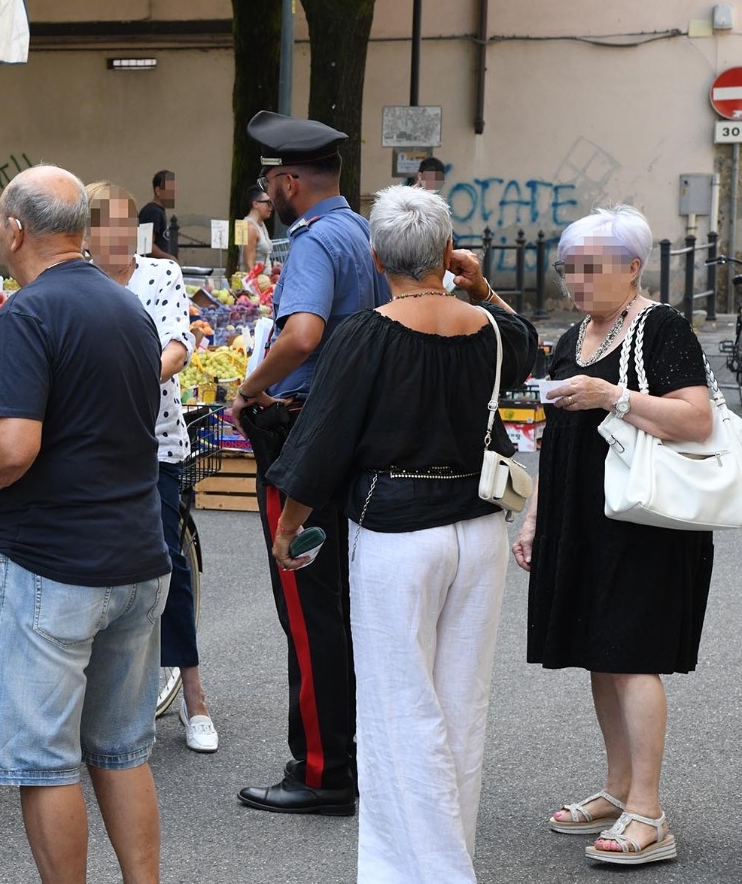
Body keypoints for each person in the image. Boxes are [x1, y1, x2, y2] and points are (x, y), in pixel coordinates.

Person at [264, 186, 536, 883]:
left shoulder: (365, 332)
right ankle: (443, 860)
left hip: (396, 530)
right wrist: (483, 287)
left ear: (378, 255)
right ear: (448, 253)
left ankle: (425, 872)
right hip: (477, 529)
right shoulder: (487, 327)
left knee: (397, 708)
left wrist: (290, 525)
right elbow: (528, 349)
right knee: (458, 706)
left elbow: (322, 440)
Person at [0, 166, 169, 884]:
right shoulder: (127, 309)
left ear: (14, 230)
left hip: (55, 567)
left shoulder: (29, 315)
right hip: (137, 556)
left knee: (45, 762)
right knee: (122, 752)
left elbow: (13, 446)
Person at [514, 206, 714, 867]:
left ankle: (649, 814)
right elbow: (555, 436)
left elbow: (694, 420)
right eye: (568, 267)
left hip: (643, 524)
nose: (575, 279)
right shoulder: (577, 333)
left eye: (590, 268)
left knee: (632, 656)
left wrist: (613, 396)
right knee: (601, 654)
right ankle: (619, 788)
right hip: (582, 517)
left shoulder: (662, 328)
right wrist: (536, 517)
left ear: (632, 267)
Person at [228, 110, 389, 816]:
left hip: (305, 438)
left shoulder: (317, 243)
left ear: (290, 181)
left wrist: (249, 386)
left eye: (272, 181)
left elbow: (302, 334)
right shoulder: (361, 234)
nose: (271, 192)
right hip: (351, 439)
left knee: (308, 615)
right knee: (336, 612)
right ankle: (344, 758)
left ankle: (323, 772)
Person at [86, 180, 218, 754]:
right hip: (87, 446)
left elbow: (177, 345)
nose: (114, 236)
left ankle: (195, 699)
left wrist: (131, 378)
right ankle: (100, 696)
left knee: (167, 569)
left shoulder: (158, 274)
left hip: (152, 442)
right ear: (84, 233)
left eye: (122, 224)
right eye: (100, 225)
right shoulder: (74, 279)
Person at [137, 169, 177, 260]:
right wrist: (169, 257)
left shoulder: (158, 211)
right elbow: (145, 244)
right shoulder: (152, 212)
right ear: (158, 191)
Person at [240, 184, 274, 274]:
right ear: (255, 204)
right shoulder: (249, 228)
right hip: (256, 283)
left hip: (264, 280)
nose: (271, 207)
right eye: (268, 203)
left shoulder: (261, 224)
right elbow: (248, 264)